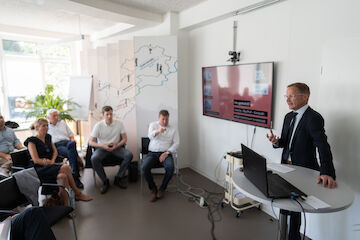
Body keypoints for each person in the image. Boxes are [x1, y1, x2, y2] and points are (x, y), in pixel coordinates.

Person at [266, 82, 336, 240]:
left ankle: (293, 237)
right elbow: (285, 142)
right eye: (287, 96)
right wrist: (275, 141)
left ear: (305, 97)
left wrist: (326, 172)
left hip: (304, 171)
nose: (287, 100)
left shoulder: (314, 118)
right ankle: (284, 232)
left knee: (296, 208)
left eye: (292, 96)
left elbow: (323, 147)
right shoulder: (288, 116)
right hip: (285, 168)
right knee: (284, 204)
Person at [24, 118, 92, 204]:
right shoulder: (31, 141)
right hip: (38, 169)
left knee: (62, 177)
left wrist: (52, 161)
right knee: (66, 167)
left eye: (47, 125)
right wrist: (49, 162)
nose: (46, 127)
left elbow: (55, 151)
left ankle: (66, 205)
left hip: (49, 165)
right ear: (37, 127)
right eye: (43, 126)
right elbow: (36, 160)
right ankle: (77, 193)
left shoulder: (48, 137)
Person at [89, 106, 133, 194]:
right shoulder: (98, 125)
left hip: (116, 147)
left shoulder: (119, 124)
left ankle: (119, 178)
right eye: (107, 114)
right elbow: (91, 142)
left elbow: (124, 138)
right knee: (94, 158)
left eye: (111, 114)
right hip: (103, 148)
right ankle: (105, 181)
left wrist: (116, 145)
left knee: (129, 155)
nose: (109, 116)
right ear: (103, 115)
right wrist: (103, 146)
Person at [141, 110, 179, 202]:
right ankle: (153, 189)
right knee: (144, 168)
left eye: (167, 119)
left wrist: (167, 152)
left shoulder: (173, 128)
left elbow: (177, 143)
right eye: (163, 119)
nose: (165, 122)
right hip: (153, 153)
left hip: (166, 153)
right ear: (159, 118)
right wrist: (158, 131)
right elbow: (150, 136)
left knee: (170, 168)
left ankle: (162, 188)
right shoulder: (153, 125)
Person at [47, 109, 84, 189]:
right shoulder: (46, 127)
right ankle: (75, 177)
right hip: (56, 146)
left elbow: (71, 135)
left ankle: (75, 175)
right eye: (54, 116)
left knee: (72, 144)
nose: (56, 117)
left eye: (57, 115)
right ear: (48, 117)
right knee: (72, 153)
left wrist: (72, 140)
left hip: (67, 143)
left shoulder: (63, 123)